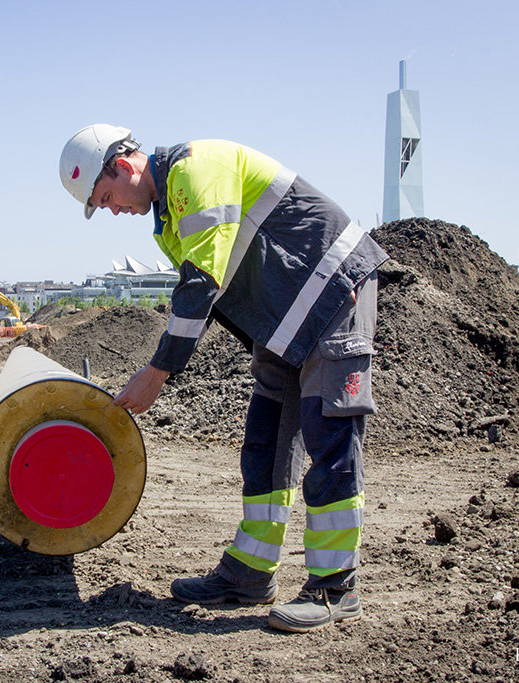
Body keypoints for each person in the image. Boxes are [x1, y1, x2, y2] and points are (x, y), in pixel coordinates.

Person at [58, 124, 388, 633]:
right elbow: (206, 296)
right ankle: (252, 574)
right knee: (264, 443)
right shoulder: (168, 219)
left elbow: (201, 283)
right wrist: (159, 365)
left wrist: (158, 371)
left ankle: (334, 588)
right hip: (285, 319)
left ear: (122, 166)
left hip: (332, 294)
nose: (113, 210)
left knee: (331, 437)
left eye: (106, 197)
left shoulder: (196, 169)